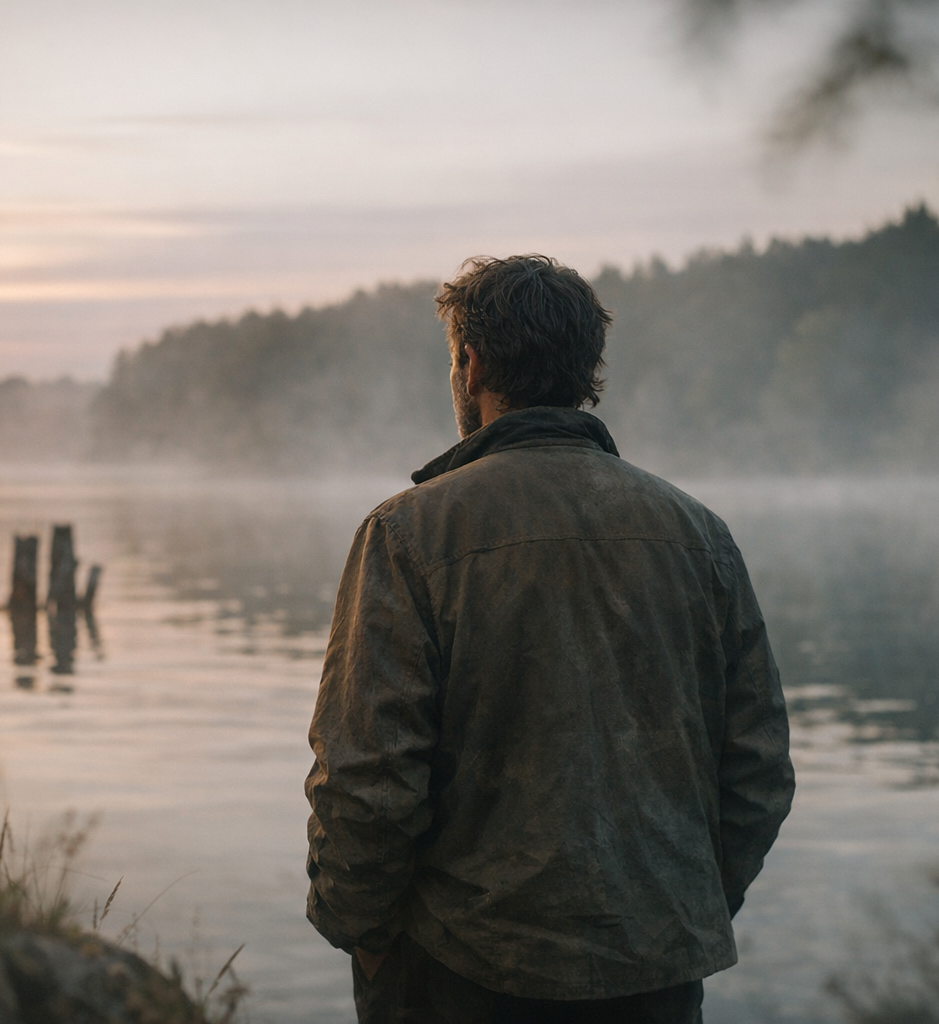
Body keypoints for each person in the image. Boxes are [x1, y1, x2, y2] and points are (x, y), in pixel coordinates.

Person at [303, 255, 795, 1024]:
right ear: (585, 368)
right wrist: (682, 905)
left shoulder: (408, 533)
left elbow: (367, 777)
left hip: (460, 974)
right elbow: (758, 765)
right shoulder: (700, 536)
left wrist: (360, 930)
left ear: (470, 365)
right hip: (656, 973)